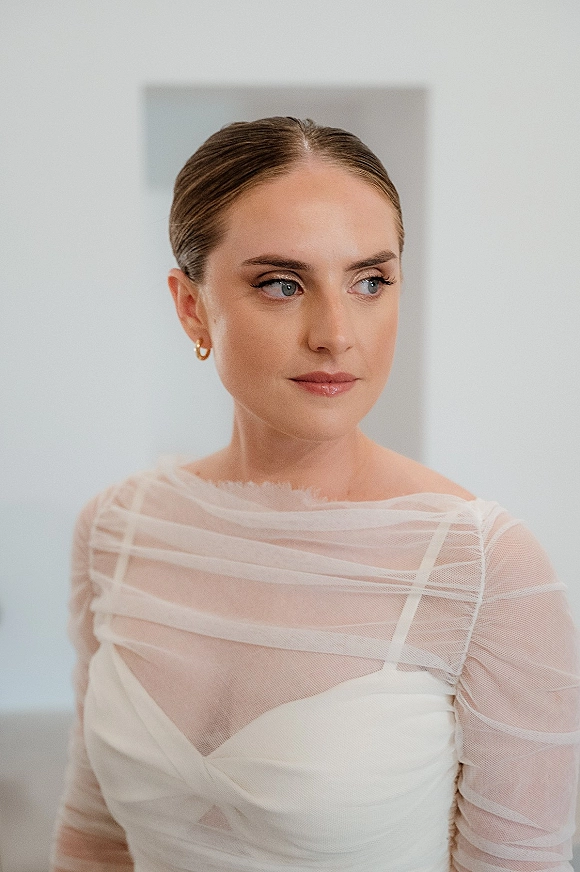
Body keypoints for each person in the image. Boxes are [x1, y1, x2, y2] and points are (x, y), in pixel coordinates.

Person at [52, 117, 579, 872]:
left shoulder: (487, 569)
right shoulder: (117, 529)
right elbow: (92, 840)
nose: (337, 332)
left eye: (370, 281)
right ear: (192, 307)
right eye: (282, 283)